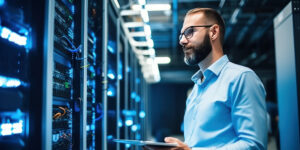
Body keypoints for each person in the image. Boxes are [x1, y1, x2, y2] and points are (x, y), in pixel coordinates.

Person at [144, 8, 267, 150]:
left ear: (213, 32)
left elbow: (254, 145)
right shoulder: (196, 89)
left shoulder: (242, 78)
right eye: (181, 35)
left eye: (189, 32)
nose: (182, 41)